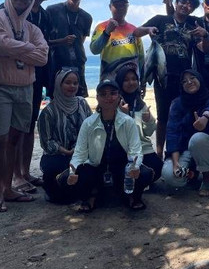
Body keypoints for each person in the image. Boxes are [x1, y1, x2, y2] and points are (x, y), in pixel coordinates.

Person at [0, 0, 49, 212]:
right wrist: (28, 49)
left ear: (31, 0)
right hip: (0, 87)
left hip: (26, 88)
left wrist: (16, 48)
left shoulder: (33, 28)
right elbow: (1, 46)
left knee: (14, 140)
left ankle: (9, 187)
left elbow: (43, 58)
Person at [136, 0, 209, 157]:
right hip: (163, 77)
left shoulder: (194, 23)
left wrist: (205, 36)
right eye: (182, 2)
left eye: (189, 4)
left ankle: (181, 151)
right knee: (163, 116)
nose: (185, 6)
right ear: (177, 3)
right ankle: (159, 152)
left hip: (185, 79)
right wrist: (148, 29)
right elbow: (136, 32)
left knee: (184, 114)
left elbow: (204, 49)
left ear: (192, 9)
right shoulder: (160, 20)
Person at [65, 79, 152, 212]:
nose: (108, 97)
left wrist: (135, 166)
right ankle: (91, 196)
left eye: (112, 93)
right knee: (76, 176)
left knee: (144, 173)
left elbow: (136, 150)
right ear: (97, 98)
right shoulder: (88, 123)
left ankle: (132, 197)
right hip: (97, 167)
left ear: (119, 96)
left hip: (122, 168)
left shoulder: (128, 122)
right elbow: (80, 153)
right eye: (103, 94)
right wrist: (73, 171)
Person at [11, 0, 61, 194]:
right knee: (16, 127)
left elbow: (46, 45)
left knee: (30, 125)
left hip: (39, 73)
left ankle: (25, 171)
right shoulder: (15, 9)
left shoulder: (44, 15)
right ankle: (15, 176)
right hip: (16, 73)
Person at [162, 70, 209, 197]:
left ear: (200, 79)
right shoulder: (177, 104)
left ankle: (207, 179)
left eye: (192, 78)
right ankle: (191, 174)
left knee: (198, 139)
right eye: (184, 81)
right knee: (171, 177)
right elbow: (172, 133)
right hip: (184, 150)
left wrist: (205, 118)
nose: (189, 82)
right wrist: (175, 163)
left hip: (208, 149)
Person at [38, 69, 92, 204]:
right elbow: (47, 142)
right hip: (57, 155)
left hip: (81, 152)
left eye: (75, 83)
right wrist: (66, 151)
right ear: (58, 84)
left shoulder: (82, 103)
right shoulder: (48, 112)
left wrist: (80, 149)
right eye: (67, 83)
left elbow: (92, 128)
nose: (72, 86)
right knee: (59, 191)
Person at [46, 0, 93, 97]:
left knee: (78, 101)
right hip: (57, 64)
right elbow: (44, 40)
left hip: (78, 65)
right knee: (56, 101)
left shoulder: (87, 17)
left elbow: (80, 42)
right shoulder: (52, 10)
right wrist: (61, 41)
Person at [115, 65, 163, 183]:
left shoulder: (140, 103)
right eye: (126, 80)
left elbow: (148, 132)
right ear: (120, 82)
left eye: (134, 79)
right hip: (122, 149)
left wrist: (148, 120)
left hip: (142, 148)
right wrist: (123, 115)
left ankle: (138, 181)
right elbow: (113, 131)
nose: (131, 82)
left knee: (157, 167)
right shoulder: (114, 102)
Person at [89, 0, 145, 80]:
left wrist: (143, 80)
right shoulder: (101, 27)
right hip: (109, 83)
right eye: (116, 5)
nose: (120, 8)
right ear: (110, 7)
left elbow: (141, 57)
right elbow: (94, 50)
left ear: (127, 7)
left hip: (131, 82)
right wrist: (106, 32)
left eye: (123, 5)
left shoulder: (134, 29)